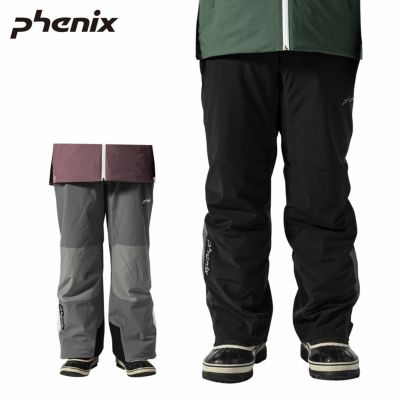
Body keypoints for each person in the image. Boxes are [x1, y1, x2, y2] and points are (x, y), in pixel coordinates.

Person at [197, 0, 362, 383]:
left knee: (322, 190)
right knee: (233, 190)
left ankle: (327, 328)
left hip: (323, 32)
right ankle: (236, 330)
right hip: (232, 33)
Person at [50, 144, 157, 377]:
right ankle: (79, 347)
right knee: (76, 264)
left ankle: (133, 348)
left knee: (132, 265)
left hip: (131, 162)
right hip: (74, 162)